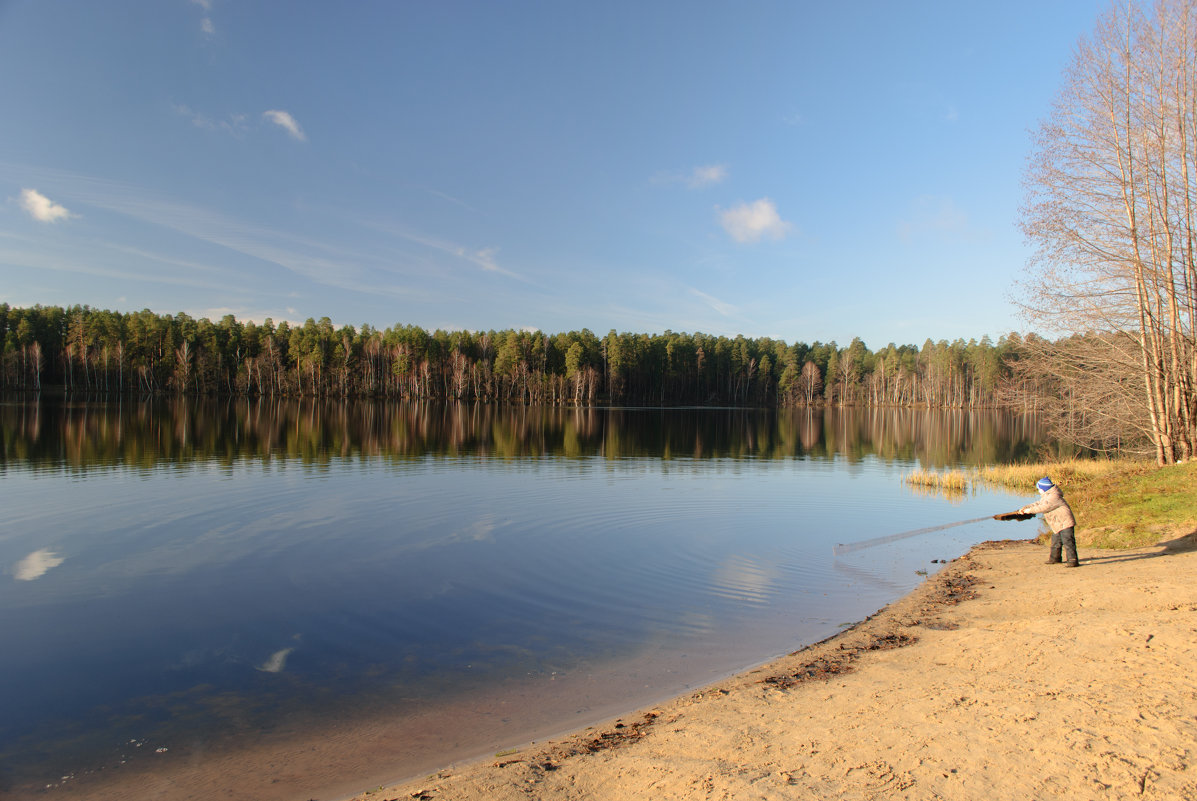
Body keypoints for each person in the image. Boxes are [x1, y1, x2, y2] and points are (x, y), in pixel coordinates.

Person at [1018, 476, 1079, 567]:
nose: (1038, 491)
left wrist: (1029, 511)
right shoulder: (1047, 496)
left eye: (1039, 489)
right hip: (1057, 524)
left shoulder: (1054, 497)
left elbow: (1044, 507)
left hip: (1065, 522)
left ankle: (1073, 560)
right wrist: (1026, 507)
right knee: (1055, 542)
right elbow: (1038, 503)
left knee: (1068, 542)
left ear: (1044, 488)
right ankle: (1055, 558)